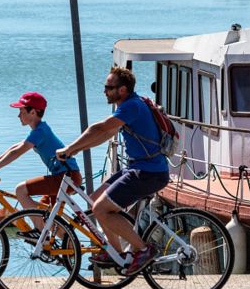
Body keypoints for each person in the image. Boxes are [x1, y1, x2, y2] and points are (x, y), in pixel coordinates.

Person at [56, 66, 170, 276]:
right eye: (105, 86)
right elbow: (105, 135)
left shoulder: (131, 106)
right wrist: (77, 150)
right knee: (94, 200)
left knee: (101, 209)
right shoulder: (128, 106)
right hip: (137, 168)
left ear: (123, 90)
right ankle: (116, 253)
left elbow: (98, 128)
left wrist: (69, 148)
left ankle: (144, 250)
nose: (105, 91)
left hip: (149, 172)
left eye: (109, 87)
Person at [0, 92, 82, 232]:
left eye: (21, 111)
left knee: (21, 190)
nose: (18, 115)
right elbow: (16, 147)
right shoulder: (39, 130)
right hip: (66, 177)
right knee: (47, 216)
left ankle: (40, 236)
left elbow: (17, 152)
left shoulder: (39, 132)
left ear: (33, 112)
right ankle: (68, 247)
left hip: (66, 177)